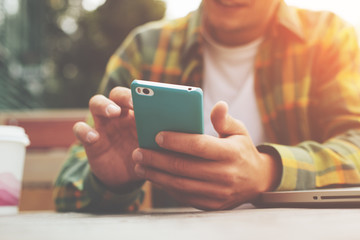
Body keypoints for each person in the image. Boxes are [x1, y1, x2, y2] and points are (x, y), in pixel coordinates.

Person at [54, 0, 360, 212]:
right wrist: (110, 180)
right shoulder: (144, 49)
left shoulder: (330, 39)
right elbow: (68, 191)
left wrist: (268, 171)